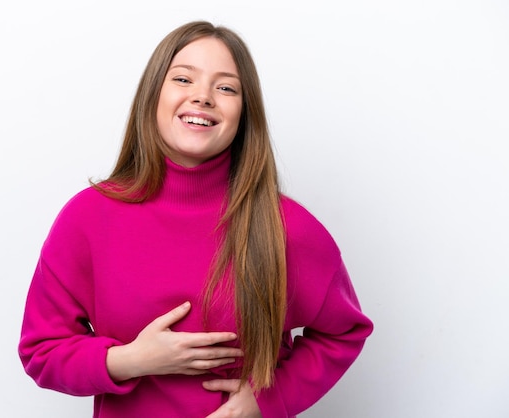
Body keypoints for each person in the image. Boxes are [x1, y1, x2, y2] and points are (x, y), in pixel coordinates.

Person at [18, 20, 373, 418]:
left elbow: (344, 332)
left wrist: (266, 402)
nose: (202, 97)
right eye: (184, 79)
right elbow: (41, 351)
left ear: (244, 113)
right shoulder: (87, 218)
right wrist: (132, 360)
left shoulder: (286, 227)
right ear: (154, 94)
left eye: (225, 87)